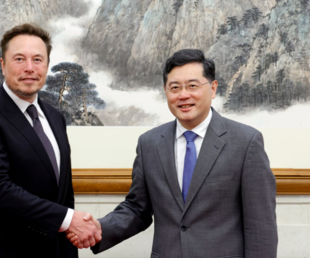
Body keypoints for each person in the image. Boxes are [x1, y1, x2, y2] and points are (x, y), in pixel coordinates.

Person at [68, 49, 278, 257]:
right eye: (175, 87)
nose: (183, 95)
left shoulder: (246, 142)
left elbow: (261, 225)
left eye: (193, 86)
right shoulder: (149, 143)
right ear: (166, 91)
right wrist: (98, 229)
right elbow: (137, 209)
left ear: (213, 89)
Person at [0, 23, 100, 258]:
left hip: (53, 249)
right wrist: (67, 219)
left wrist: (71, 235)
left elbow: (63, 190)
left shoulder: (55, 117)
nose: (30, 68)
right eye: (19, 59)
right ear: (3, 65)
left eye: (37, 59)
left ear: (47, 65)